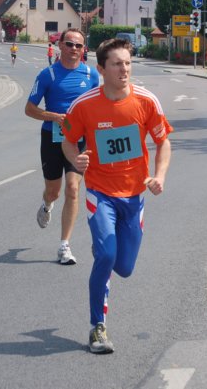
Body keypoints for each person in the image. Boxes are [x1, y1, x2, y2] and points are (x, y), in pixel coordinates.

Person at [61, 38, 172, 354]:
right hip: (101, 193)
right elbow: (67, 140)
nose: (124, 69)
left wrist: (159, 176)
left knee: (124, 268)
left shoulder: (146, 101)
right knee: (107, 256)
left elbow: (163, 142)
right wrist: (76, 159)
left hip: (134, 196)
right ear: (101, 69)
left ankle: (104, 249)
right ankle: (98, 327)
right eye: (117, 64)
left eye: (127, 63)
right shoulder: (84, 105)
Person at [25, 28, 99, 265]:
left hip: (78, 140)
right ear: (60, 46)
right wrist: (54, 116)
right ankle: (47, 204)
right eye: (69, 44)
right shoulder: (47, 75)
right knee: (54, 191)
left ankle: (64, 245)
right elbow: (29, 109)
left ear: (84, 49)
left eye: (79, 45)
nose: (74, 49)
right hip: (52, 138)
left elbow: (99, 105)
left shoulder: (91, 74)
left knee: (73, 189)